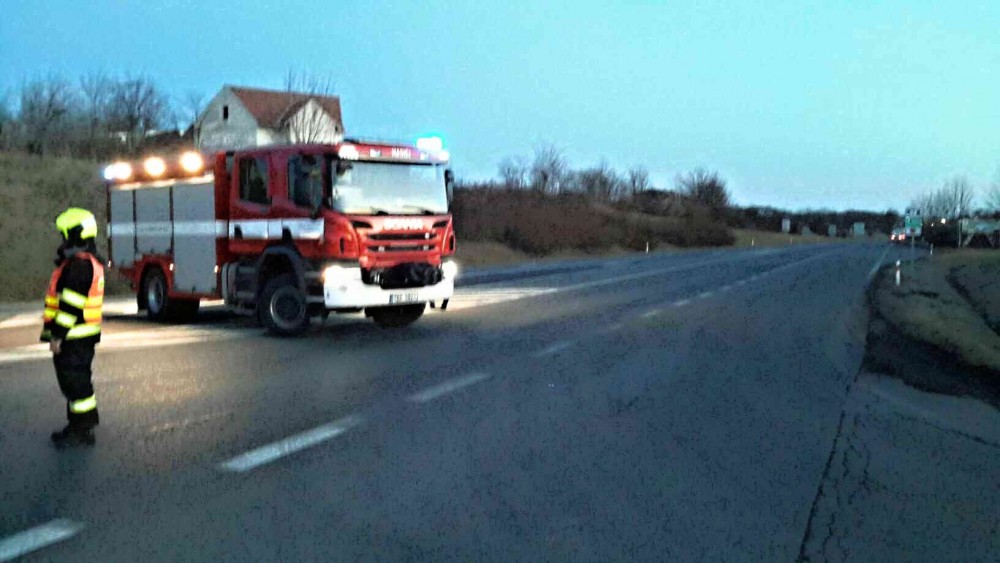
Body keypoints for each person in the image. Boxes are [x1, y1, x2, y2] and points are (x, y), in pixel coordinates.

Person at [41, 208, 105, 447]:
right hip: (80, 336)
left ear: (74, 234)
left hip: (74, 337)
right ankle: (80, 425)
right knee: (76, 381)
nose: (62, 239)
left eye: (64, 234)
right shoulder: (84, 262)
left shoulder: (80, 265)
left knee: (75, 383)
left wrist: (57, 336)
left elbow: (70, 306)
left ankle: (82, 429)